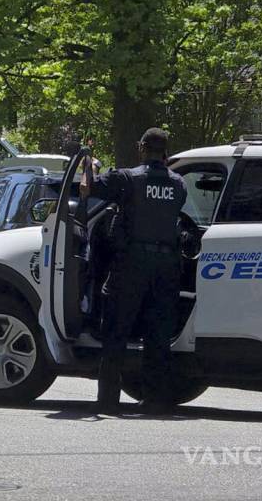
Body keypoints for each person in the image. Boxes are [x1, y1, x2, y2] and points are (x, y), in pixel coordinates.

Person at [80, 127, 186, 414]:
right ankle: (156, 400)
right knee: (158, 335)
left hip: (132, 266)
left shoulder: (127, 179)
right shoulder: (179, 184)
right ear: (165, 152)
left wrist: (87, 165)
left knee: (115, 332)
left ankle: (108, 401)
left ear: (141, 148)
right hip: (165, 269)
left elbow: (87, 189)